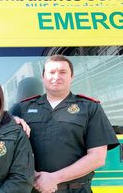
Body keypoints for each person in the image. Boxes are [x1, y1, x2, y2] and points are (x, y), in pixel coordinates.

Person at [10, 55, 119, 193]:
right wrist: (10, 119)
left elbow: (97, 157)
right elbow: (4, 146)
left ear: (72, 76)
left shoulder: (89, 108)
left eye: (62, 72)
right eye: (51, 72)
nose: (56, 76)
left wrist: (54, 178)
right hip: (32, 189)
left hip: (76, 190)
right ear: (43, 77)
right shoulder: (21, 109)